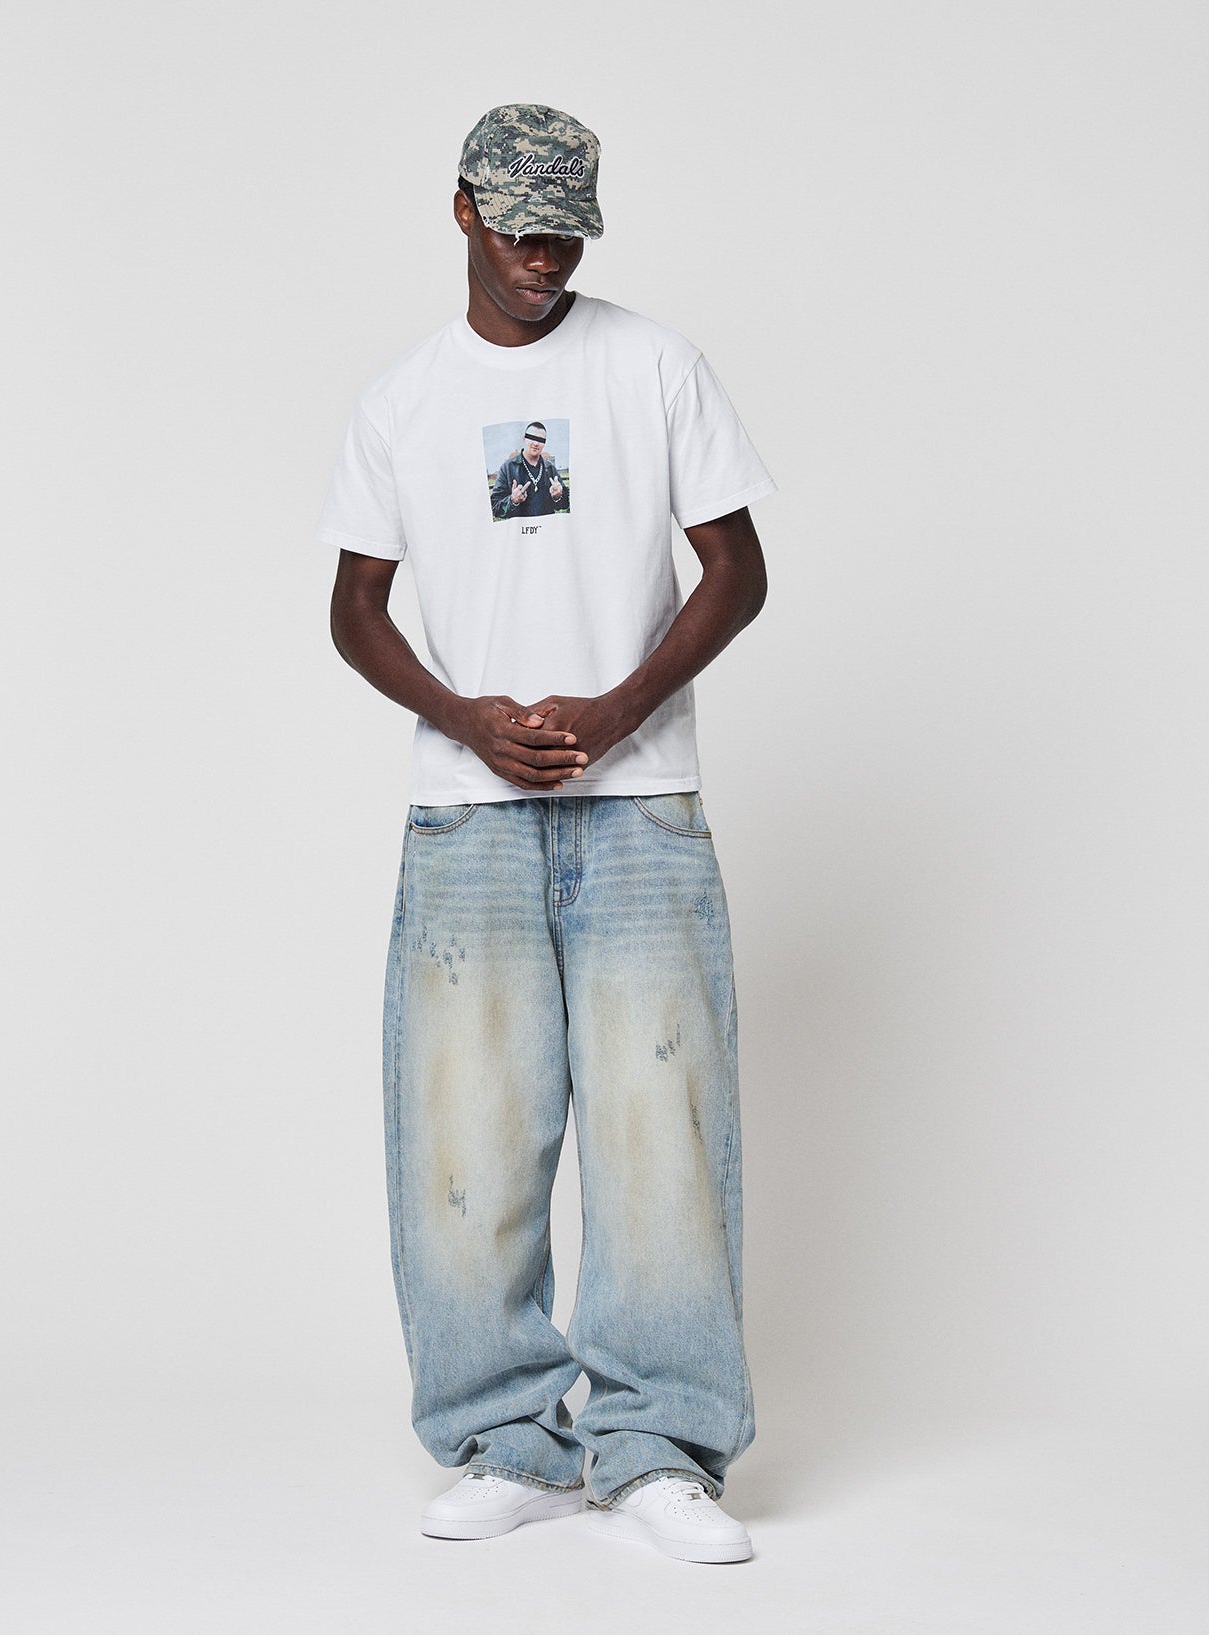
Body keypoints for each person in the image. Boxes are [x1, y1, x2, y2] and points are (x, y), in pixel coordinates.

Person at [318, 103, 774, 1565]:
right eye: (519, 226)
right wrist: (462, 716)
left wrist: (621, 705)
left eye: (566, 232)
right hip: (466, 815)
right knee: (462, 1134)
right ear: (462, 210)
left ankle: (658, 1450)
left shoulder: (653, 365)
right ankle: (507, 1439)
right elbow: (353, 607)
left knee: (662, 1132)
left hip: (639, 803)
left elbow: (738, 567)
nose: (543, 255)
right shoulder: (401, 401)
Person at [488, 421, 569, 519]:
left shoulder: (550, 468)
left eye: (540, 440)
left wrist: (558, 496)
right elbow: (494, 507)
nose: (536, 443)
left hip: (546, 526)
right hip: (520, 528)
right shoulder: (507, 468)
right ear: (524, 439)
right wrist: (512, 500)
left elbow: (566, 503)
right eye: (532, 438)